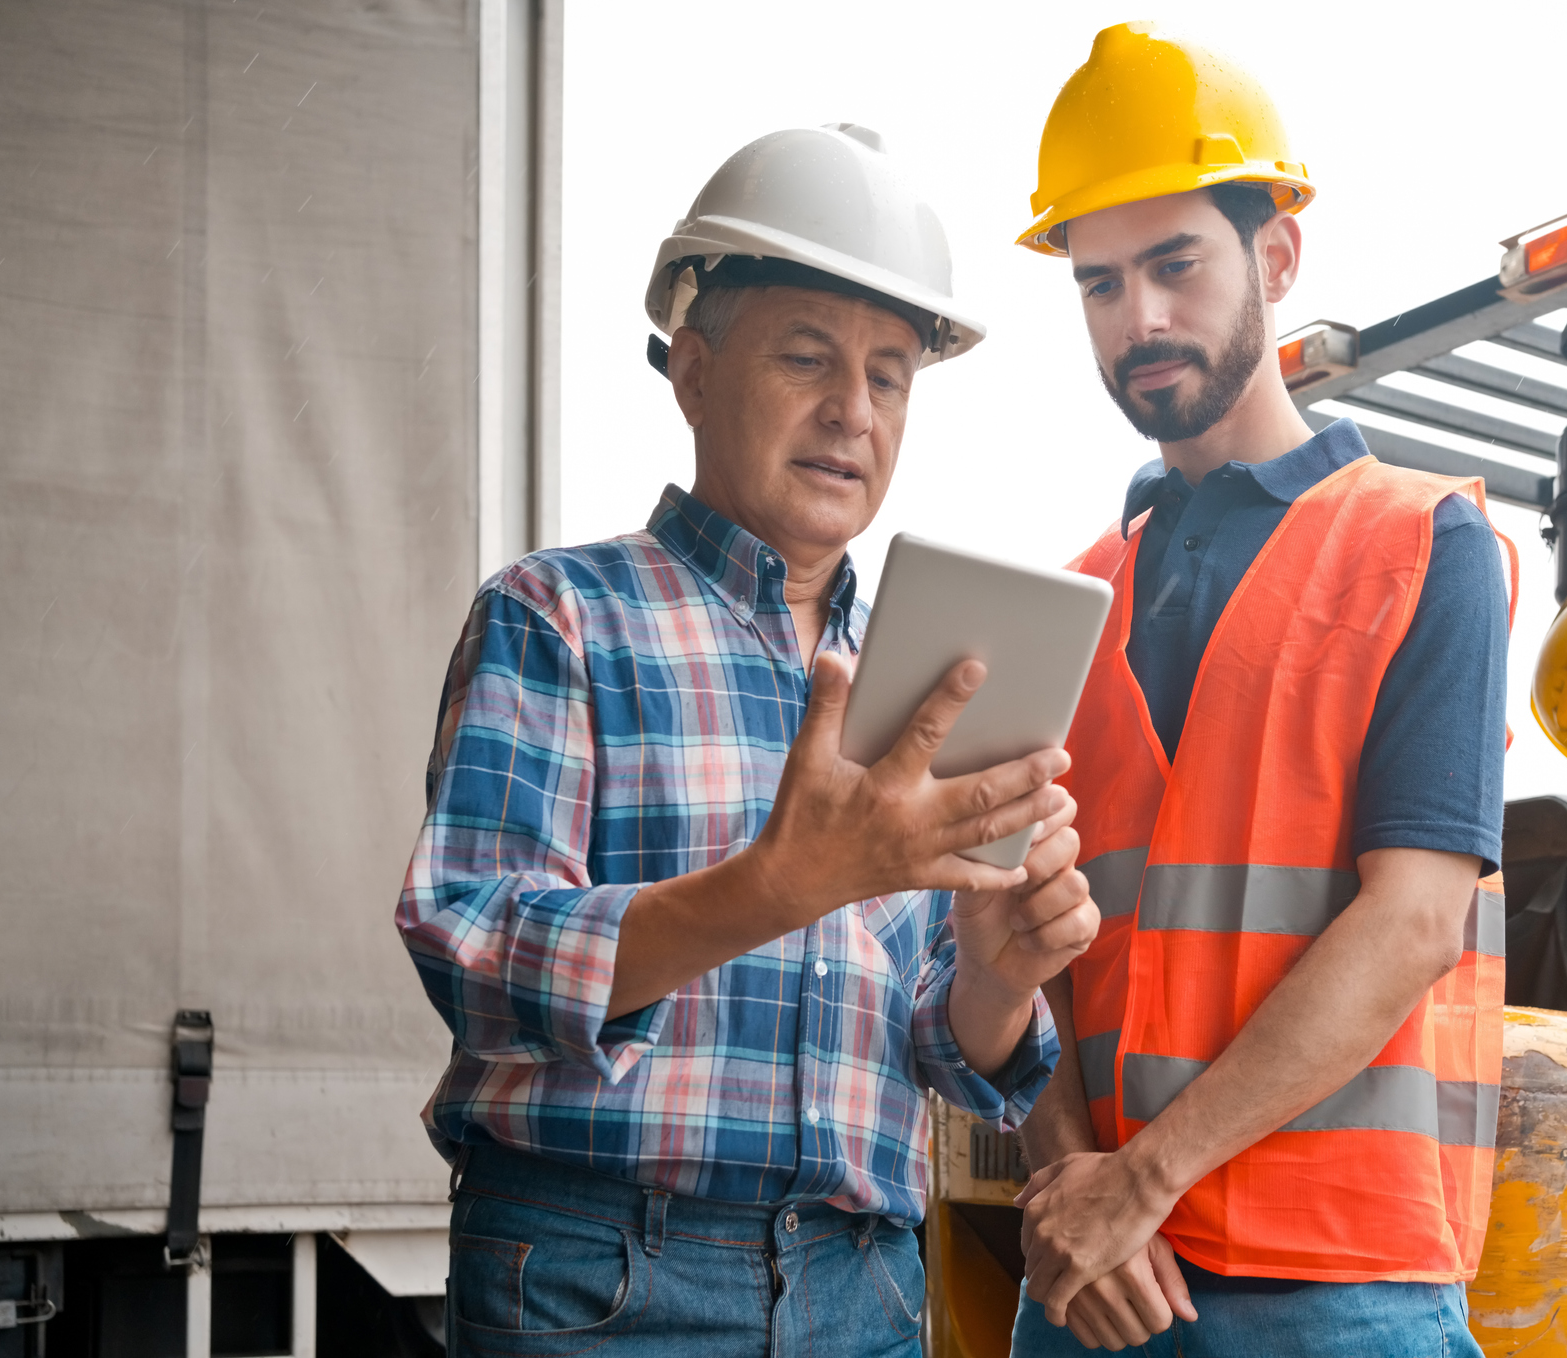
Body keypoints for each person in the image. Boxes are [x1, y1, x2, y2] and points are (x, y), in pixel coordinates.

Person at [397, 123, 1099, 1356]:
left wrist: (997, 973)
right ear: (694, 372)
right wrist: (773, 890)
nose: (851, 411)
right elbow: (475, 948)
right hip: (599, 1280)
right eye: (806, 357)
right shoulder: (560, 617)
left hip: (863, 1287)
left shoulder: (932, 674)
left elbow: (940, 1042)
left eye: (888, 376)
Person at [1007, 25, 1513, 1356]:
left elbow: (1412, 922)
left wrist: (1141, 1177)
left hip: (1337, 1281)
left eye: (1176, 266)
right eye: (1102, 284)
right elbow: (1024, 953)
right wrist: (1074, 1188)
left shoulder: (1425, 545)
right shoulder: (1066, 599)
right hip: (1101, 1284)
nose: (1142, 319)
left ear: (1276, 258)